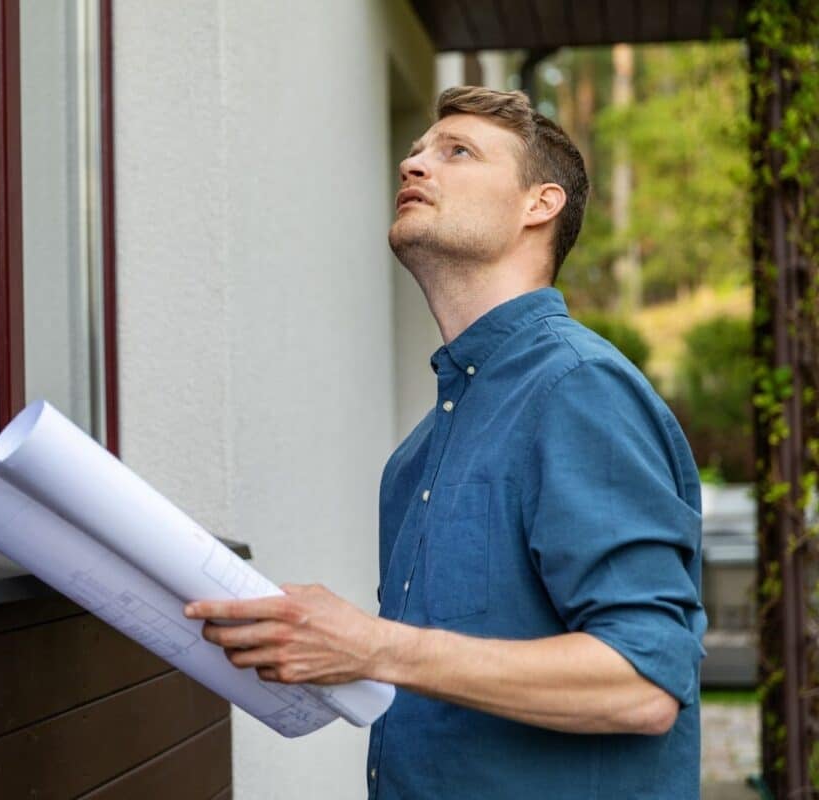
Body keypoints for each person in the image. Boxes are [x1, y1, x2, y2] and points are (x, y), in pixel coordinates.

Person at [184, 86, 707, 799]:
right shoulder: (416, 458)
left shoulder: (577, 389)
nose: (415, 166)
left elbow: (643, 683)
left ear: (539, 205)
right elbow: (427, 671)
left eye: (456, 152)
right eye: (415, 152)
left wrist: (374, 646)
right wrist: (311, 649)